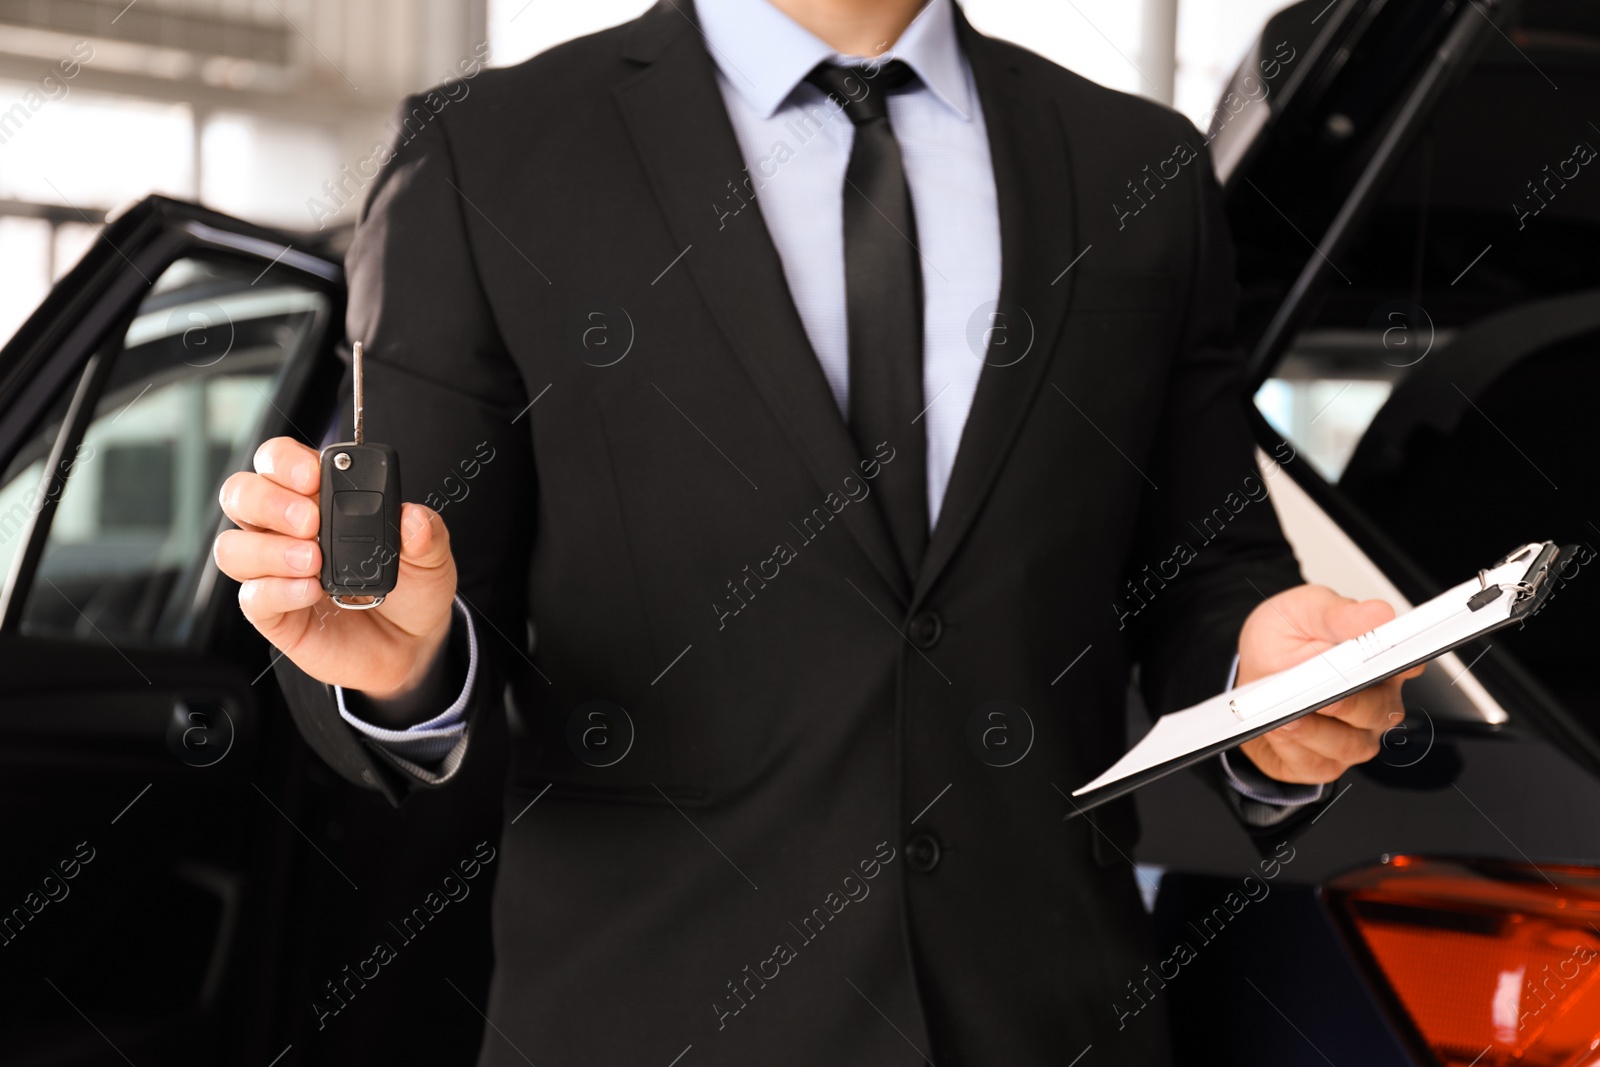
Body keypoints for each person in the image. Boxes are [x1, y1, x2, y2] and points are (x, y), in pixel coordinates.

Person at [215, 0, 1416, 1062]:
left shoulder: (1133, 165)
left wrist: (1269, 676)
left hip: (1048, 1016)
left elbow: (1205, 570)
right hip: (658, 1020)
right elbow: (397, 592)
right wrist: (404, 670)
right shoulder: (491, 153)